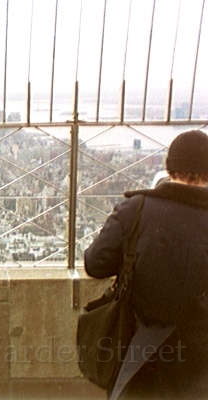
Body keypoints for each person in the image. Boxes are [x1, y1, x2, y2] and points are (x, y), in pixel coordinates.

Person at [84, 129, 208, 398]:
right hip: (200, 366)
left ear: (169, 166)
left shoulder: (136, 209)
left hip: (138, 354)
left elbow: (95, 264)